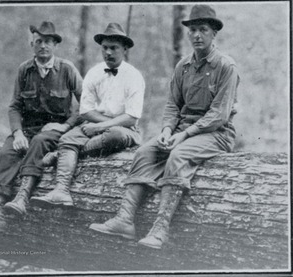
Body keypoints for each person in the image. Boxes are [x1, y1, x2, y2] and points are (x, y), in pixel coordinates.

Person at [89, 5, 240, 249]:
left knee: (178, 156)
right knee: (146, 151)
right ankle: (125, 220)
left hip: (216, 133)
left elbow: (218, 116)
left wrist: (183, 136)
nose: (197, 35)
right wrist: (168, 131)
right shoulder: (183, 66)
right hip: (182, 130)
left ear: (214, 34)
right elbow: (172, 106)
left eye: (203, 29)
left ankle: (160, 229)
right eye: (193, 30)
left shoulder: (226, 67)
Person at [0, 21, 82, 231]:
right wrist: (18, 132)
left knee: (40, 141)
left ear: (55, 45)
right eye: (39, 41)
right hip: (28, 129)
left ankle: (22, 197)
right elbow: (14, 106)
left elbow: (86, 103)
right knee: (6, 152)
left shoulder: (67, 69)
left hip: (54, 130)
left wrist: (66, 126)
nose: (43, 46)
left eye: (48, 41)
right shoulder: (24, 70)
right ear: (32, 44)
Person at [29, 23, 145, 208]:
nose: (108, 53)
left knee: (115, 135)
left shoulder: (134, 76)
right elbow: (85, 110)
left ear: (124, 49)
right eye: (105, 48)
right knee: (67, 138)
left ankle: (61, 155)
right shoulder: (95, 72)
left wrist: (101, 126)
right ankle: (61, 191)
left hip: (123, 128)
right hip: (94, 124)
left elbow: (131, 117)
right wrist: (100, 124)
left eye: (113, 48)